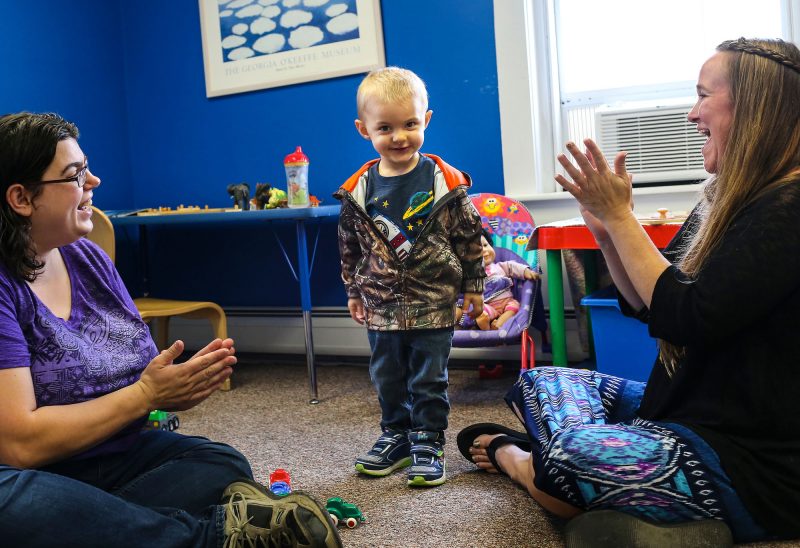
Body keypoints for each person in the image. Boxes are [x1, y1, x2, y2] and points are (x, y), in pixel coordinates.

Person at [457, 37, 800, 546]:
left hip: (752, 461)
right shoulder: (723, 202)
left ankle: (524, 462)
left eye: (704, 96)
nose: (692, 113)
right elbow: (646, 305)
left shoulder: (788, 208)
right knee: (540, 382)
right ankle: (611, 493)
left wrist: (623, 217)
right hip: (682, 412)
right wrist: (605, 231)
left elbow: (686, 316)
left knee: (569, 458)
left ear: (754, 110)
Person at [0, 112, 342, 548]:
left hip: (110, 458)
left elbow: (137, 371)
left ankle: (108, 529)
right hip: (29, 474)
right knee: (21, 506)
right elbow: (18, 446)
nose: (94, 182)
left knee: (220, 462)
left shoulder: (88, 259)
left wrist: (167, 386)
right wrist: (146, 395)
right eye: (75, 175)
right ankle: (211, 538)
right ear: (21, 198)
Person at [334, 67, 485, 487]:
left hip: (433, 300)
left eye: (410, 124)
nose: (399, 137)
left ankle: (427, 439)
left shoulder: (445, 185)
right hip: (380, 303)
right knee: (386, 375)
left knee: (428, 377)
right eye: (386, 128)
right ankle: (396, 435)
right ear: (364, 130)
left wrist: (474, 286)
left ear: (427, 121)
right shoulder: (357, 192)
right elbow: (349, 245)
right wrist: (353, 290)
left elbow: (470, 238)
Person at [456, 228, 539, 330]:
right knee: (475, 310)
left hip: (506, 302)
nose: (484, 250)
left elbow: (513, 267)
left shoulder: (500, 266)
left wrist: (527, 272)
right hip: (485, 305)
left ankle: (498, 325)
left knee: (515, 307)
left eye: (485, 245)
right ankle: (484, 324)